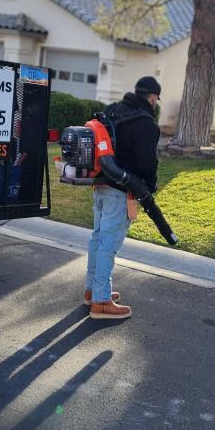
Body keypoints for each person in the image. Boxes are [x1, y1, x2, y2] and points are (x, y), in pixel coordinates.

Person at [85, 75, 161, 320]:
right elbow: (146, 164)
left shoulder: (112, 110)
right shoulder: (146, 123)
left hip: (99, 185)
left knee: (97, 239)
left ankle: (92, 291)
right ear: (152, 97)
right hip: (121, 191)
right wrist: (149, 188)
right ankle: (101, 303)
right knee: (108, 244)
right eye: (157, 99)